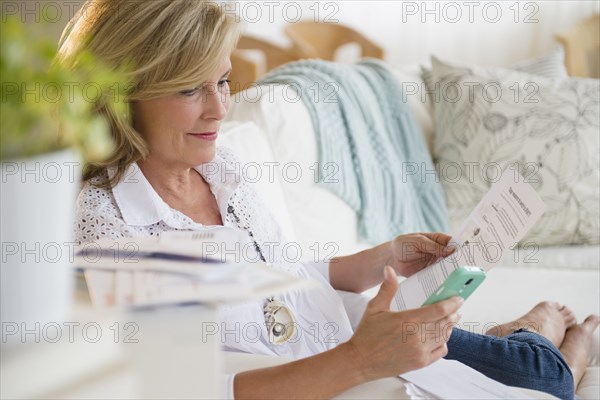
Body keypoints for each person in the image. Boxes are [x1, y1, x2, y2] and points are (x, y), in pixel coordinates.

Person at [60, 1, 598, 399]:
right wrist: (359, 361)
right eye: (189, 90)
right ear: (121, 93)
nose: (220, 110)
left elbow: (287, 272)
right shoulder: (112, 229)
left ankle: (523, 336)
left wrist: (384, 258)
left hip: (356, 332)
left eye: (223, 82)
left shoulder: (219, 169)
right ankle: (535, 331)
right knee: (545, 376)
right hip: (345, 363)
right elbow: (189, 389)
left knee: (536, 377)